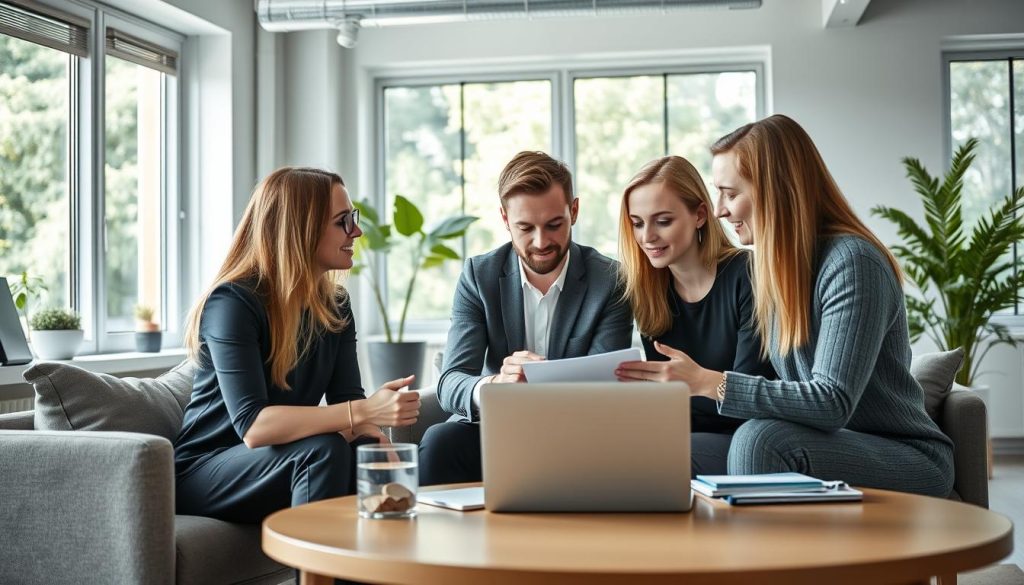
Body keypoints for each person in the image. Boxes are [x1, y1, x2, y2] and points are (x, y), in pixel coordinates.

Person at [616, 115, 954, 496]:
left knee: (760, 440)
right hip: (825, 441)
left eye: (730, 193)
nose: (720, 211)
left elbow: (833, 401)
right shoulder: (777, 270)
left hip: (904, 456)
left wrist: (708, 382)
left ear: (775, 190)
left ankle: (758, 557)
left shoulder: (854, 262)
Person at [174, 167, 421, 523]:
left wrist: (377, 442)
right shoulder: (232, 303)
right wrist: (365, 412)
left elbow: (346, 400)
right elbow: (254, 427)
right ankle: (316, 578)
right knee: (322, 451)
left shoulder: (335, 306)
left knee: (360, 452)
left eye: (354, 218)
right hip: (206, 471)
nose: (357, 231)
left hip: (280, 460)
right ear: (300, 229)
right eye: (343, 221)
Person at [419, 151, 634, 485]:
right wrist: (494, 385)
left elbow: (604, 389)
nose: (541, 242)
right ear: (505, 219)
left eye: (553, 225)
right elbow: (450, 381)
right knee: (438, 443)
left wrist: (541, 381)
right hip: (497, 430)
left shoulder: (610, 281)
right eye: (525, 227)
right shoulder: (479, 276)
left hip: (578, 436)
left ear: (573, 211)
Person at [615, 155, 775, 475]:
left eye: (663, 221)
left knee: (647, 459)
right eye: (637, 223)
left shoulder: (748, 276)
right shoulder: (649, 294)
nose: (647, 237)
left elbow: (746, 404)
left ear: (700, 215)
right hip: (681, 437)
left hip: (748, 440)